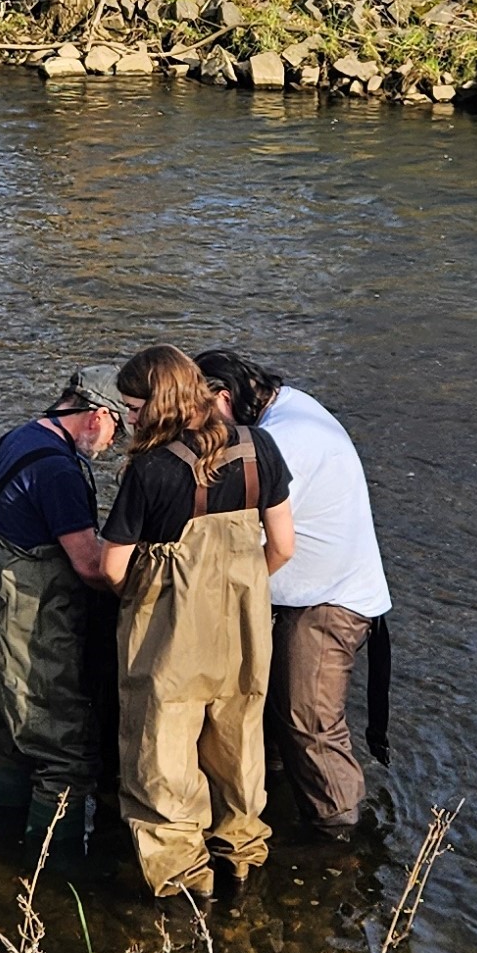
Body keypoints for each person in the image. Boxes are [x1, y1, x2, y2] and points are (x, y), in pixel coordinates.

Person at [99, 345, 295, 901]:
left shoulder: (152, 468)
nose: (129, 418)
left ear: (159, 403)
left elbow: (113, 567)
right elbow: (283, 545)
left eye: (134, 407)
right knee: (238, 744)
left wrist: (139, 599)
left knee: (161, 755)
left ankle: (185, 890)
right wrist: (245, 587)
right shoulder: (261, 448)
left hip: (169, 631)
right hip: (243, 624)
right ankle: (240, 866)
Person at [195, 349, 391, 837]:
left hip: (327, 601)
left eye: (199, 416)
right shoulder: (288, 407)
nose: (197, 430)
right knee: (278, 713)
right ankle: (282, 802)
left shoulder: (283, 440)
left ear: (223, 398)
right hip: (308, 589)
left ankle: (340, 838)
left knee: (310, 721)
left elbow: (252, 536)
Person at [0, 368, 125, 849]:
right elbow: (91, 567)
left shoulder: (17, 438)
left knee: (13, 743)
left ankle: (6, 850)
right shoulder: (57, 469)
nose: (113, 444)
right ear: (97, 416)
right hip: (28, 621)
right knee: (65, 752)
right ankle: (58, 872)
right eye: (118, 429)